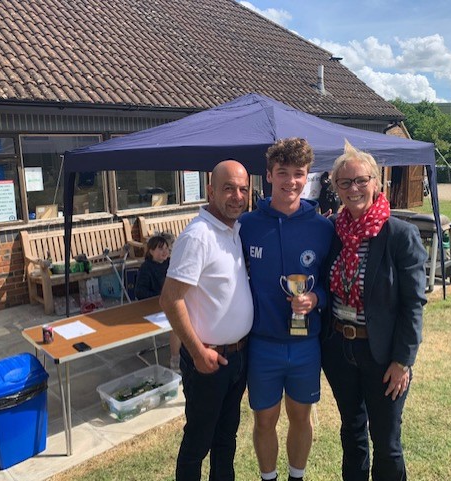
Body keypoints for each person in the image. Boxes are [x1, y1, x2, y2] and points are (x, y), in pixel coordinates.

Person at [320, 140, 427, 481]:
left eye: (361, 180)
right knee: (351, 434)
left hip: (382, 356)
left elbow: (414, 303)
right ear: (336, 188)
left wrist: (402, 361)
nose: (354, 189)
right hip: (340, 349)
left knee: (386, 442)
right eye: (345, 182)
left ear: (376, 183)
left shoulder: (400, 235)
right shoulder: (334, 232)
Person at [239, 138, 334, 481]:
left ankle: (297, 476)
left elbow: (329, 281)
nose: (290, 181)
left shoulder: (323, 227)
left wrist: (316, 299)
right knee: (264, 419)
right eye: (283, 173)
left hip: (305, 343)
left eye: (298, 173)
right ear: (268, 175)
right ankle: (269, 479)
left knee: (300, 416)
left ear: (307, 175)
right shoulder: (248, 225)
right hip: (263, 343)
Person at [159, 159, 253, 481]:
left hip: (237, 357)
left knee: (226, 440)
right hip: (208, 361)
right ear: (210, 190)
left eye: (243, 189)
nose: (237, 196)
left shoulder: (233, 230)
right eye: (228, 188)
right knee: (198, 442)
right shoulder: (198, 236)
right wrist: (198, 353)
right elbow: (170, 299)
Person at [134, 235, 181, 373]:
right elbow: (140, 292)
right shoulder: (146, 268)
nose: (165, 252)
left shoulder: (171, 263)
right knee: (177, 323)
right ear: (151, 251)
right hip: (154, 308)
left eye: (166, 248)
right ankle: (175, 360)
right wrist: (161, 297)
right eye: (160, 249)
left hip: (170, 303)